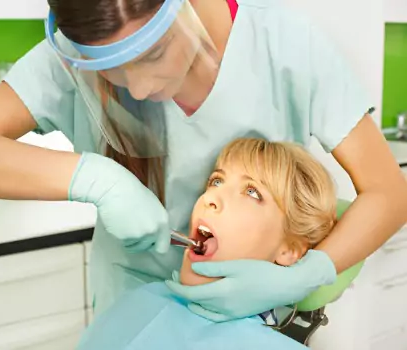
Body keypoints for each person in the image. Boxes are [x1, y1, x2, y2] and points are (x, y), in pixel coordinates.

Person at [0, 0, 407, 323]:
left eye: (153, 54)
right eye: (110, 71)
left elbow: (389, 193)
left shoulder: (285, 48)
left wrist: (308, 274)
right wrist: (93, 178)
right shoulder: (70, 53)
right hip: (128, 318)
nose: (141, 88)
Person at [75, 138, 337, 350]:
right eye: (216, 181)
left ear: (289, 249)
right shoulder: (138, 301)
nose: (211, 197)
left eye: (252, 192)